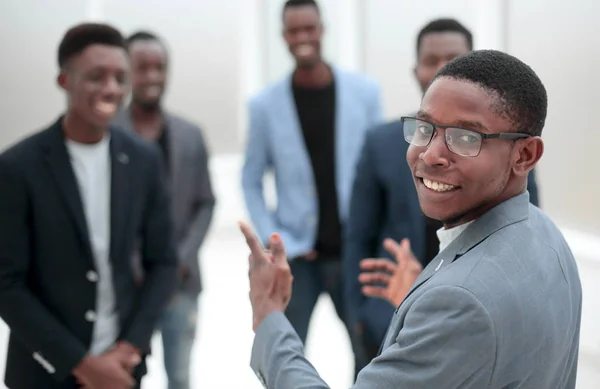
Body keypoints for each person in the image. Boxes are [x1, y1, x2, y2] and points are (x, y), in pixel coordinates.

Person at [241, 49, 582, 388]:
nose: (431, 155)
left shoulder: (459, 301)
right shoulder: (546, 234)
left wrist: (269, 315)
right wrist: (419, 295)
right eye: (425, 128)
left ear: (525, 155)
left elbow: (468, 306)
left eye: (466, 138)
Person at [343, 18, 541, 375]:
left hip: (475, 318)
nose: (442, 69)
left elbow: (523, 225)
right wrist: (357, 317)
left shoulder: (509, 149)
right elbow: (359, 234)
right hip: (386, 315)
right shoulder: (380, 143)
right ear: (415, 69)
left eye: (453, 59)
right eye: (431, 60)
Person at [0, 23, 177, 389]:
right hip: (44, 371)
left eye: (120, 77)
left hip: (122, 368)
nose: (111, 88)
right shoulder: (18, 167)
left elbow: (164, 262)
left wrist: (130, 348)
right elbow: (6, 283)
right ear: (65, 80)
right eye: (96, 76)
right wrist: (81, 364)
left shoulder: (143, 160)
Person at [241, 0, 383, 352]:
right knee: (284, 351)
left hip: (353, 251)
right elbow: (251, 178)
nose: (302, 37)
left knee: (369, 348)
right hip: (297, 256)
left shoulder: (364, 93)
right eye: (294, 30)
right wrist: (273, 237)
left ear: (322, 30)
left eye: (309, 28)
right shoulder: (264, 105)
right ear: (283, 36)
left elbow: (378, 168)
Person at [113, 30, 216, 389]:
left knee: (181, 379)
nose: (153, 76)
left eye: (160, 67)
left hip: (180, 286)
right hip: (124, 287)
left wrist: (179, 259)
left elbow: (205, 202)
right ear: (125, 71)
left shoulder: (190, 134)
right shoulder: (107, 133)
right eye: (143, 68)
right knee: (124, 377)